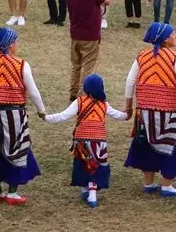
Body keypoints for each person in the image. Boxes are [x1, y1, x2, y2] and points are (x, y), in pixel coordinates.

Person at [122, 23, 176, 197]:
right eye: (173, 34)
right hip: (168, 112)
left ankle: (148, 184)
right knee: (171, 145)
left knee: (146, 145)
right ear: (166, 39)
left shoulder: (142, 56)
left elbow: (130, 81)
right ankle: (167, 185)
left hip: (144, 112)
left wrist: (128, 106)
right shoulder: (175, 58)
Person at [0, 27, 47, 205]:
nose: (17, 44)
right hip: (14, 114)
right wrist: (41, 110)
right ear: (10, 44)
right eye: (15, 41)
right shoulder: (21, 64)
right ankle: (12, 192)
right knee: (18, 148)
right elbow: (33, 91)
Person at [45, 74, 129, 208]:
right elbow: (120, 116)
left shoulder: (79, 102)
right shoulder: (104, 104)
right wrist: (127, 114)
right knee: (96, 166)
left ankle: (86, 189)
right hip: (99, 142)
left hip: (81, 142)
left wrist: (47, 117)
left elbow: (63, 116)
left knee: (83, 164)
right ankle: (92, 194)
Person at [65, 0, 110, 100]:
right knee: (88, 67)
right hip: (90, 34)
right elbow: (106, 1)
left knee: (76, 65)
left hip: (75, 32)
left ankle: (73, 92)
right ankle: (83, 96)